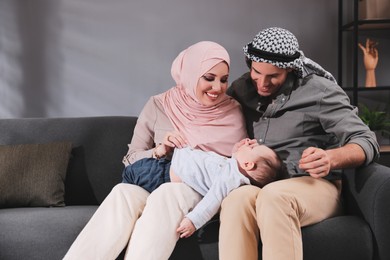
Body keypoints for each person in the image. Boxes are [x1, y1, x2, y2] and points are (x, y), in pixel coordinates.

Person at [63, 41, 247, 260]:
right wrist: (161, 150)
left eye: (224, 80)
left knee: (167, 193)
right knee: (123, 192)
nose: (217, 88)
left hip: (201, 190)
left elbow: (235, 167)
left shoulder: (231, 110)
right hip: (156, 178)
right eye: (209, 78)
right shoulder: (159, 105)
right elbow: (131, 160)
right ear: (189, 73)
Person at [218, 27, 380, 260]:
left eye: (273, 76)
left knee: (274, 197)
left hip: (313, 186)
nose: (262, 83)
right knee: (236, 199)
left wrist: (330, 157)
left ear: (291, 69)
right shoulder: (242, 88)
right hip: (260, 185)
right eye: (256, 72)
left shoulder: (319, 91)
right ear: (249, 63)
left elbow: (366, 141)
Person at [122, 138, 289, 238]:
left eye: (252, 148)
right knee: (132, 178)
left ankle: (134, 208)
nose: (250, 144)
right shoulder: (233, 168)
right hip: (167, 164)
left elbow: (213, 200)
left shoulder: (230, 179)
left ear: (248, 164)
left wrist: (193, 221)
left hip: (161, 174)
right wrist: (237, 151)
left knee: (130, 173)